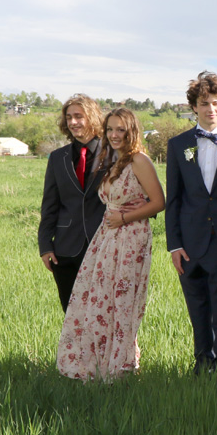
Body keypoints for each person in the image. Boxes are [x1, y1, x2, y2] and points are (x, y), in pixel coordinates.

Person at [57, 108, 165, 380]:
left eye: (121, 130)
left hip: (130, 239)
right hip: (107, 237)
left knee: (122, 303)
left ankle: (121, 367)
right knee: (99, 301)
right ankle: (99, 365)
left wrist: (124, 217)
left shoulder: (139, 160)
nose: (114, 135)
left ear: (132, 131)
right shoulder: (113, 160)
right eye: (110, 129)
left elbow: (159, 202)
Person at [165, 71, 217, 374]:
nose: (211, 109)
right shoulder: (178, 144)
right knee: (197, 307)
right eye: (204, 103)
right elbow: (174, 198)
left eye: (216, 102)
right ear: (194, 107)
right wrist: (174, 245)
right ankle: (202, 364)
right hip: (189, 241)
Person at [39, 94, 107, 312]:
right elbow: (49, 205)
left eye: (79, 116)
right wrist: (45, 246)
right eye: (69, 117)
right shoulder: (57, 158)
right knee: (72, 316)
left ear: (93, 117)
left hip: (106, 247)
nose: (73, 122)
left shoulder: (114, 155)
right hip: (65, 251)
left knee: (104, 314)